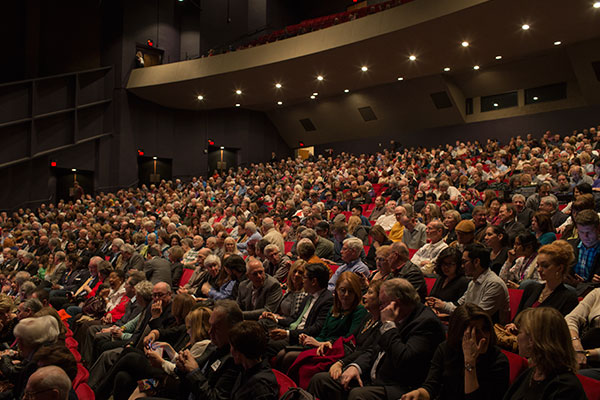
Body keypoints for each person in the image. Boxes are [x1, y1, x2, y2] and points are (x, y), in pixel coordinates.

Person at [308, 278, 445, 400]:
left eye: (383, 303)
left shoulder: (425, 323)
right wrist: (356, 367)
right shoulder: (395, 316)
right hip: (373, 376)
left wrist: (389, 326)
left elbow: (405, 359)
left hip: (397, 385)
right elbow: (373, 349)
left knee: (358, 395)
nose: (380, 308)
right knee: (321, 380)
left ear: (396, 304)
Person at [401, 304, 509, 400]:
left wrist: (470, 361)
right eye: (475, 332)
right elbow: (431, 387)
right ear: (460, 335)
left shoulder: (499, 362)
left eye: (485, 329)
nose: (484, 337)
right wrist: (419, 393)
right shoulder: (446, 349)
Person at [276, 271, 367, 372]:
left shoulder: (359, 311)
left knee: (288, 357)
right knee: (281, 354)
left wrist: (319, 343)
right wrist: (308, 340)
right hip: (321, 345)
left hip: (335, 351)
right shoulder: (334, 308)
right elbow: (323, 333)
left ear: (356, 292)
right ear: (336, 290)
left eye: (350, 291)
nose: (346, 294)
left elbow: (349, 339)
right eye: (342, 290)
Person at [503, 308, 586, 399]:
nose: (517, 337)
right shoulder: (532, 372)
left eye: (519, 332)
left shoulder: (565, 388)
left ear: (532, 340)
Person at [429, 243, 510, 324]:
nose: (462, 266)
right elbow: (459, 306)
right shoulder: (473, 282)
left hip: (486, 328)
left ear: (476, 262)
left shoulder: (494, 284)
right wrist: (440, 304)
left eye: (464, 262)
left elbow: (479, 315)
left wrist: (444, 307)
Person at [229, 321, 279, 400]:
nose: (230, 351)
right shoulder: (245, 369)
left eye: (231, 346)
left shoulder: (261, 387)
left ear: (239, 352)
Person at [567, 287, 600, 379]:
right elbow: (571, 318)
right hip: (581, 348)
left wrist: (586, 354)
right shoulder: (597, 293)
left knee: (570, 377)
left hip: (595, 359)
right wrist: (576, 344)